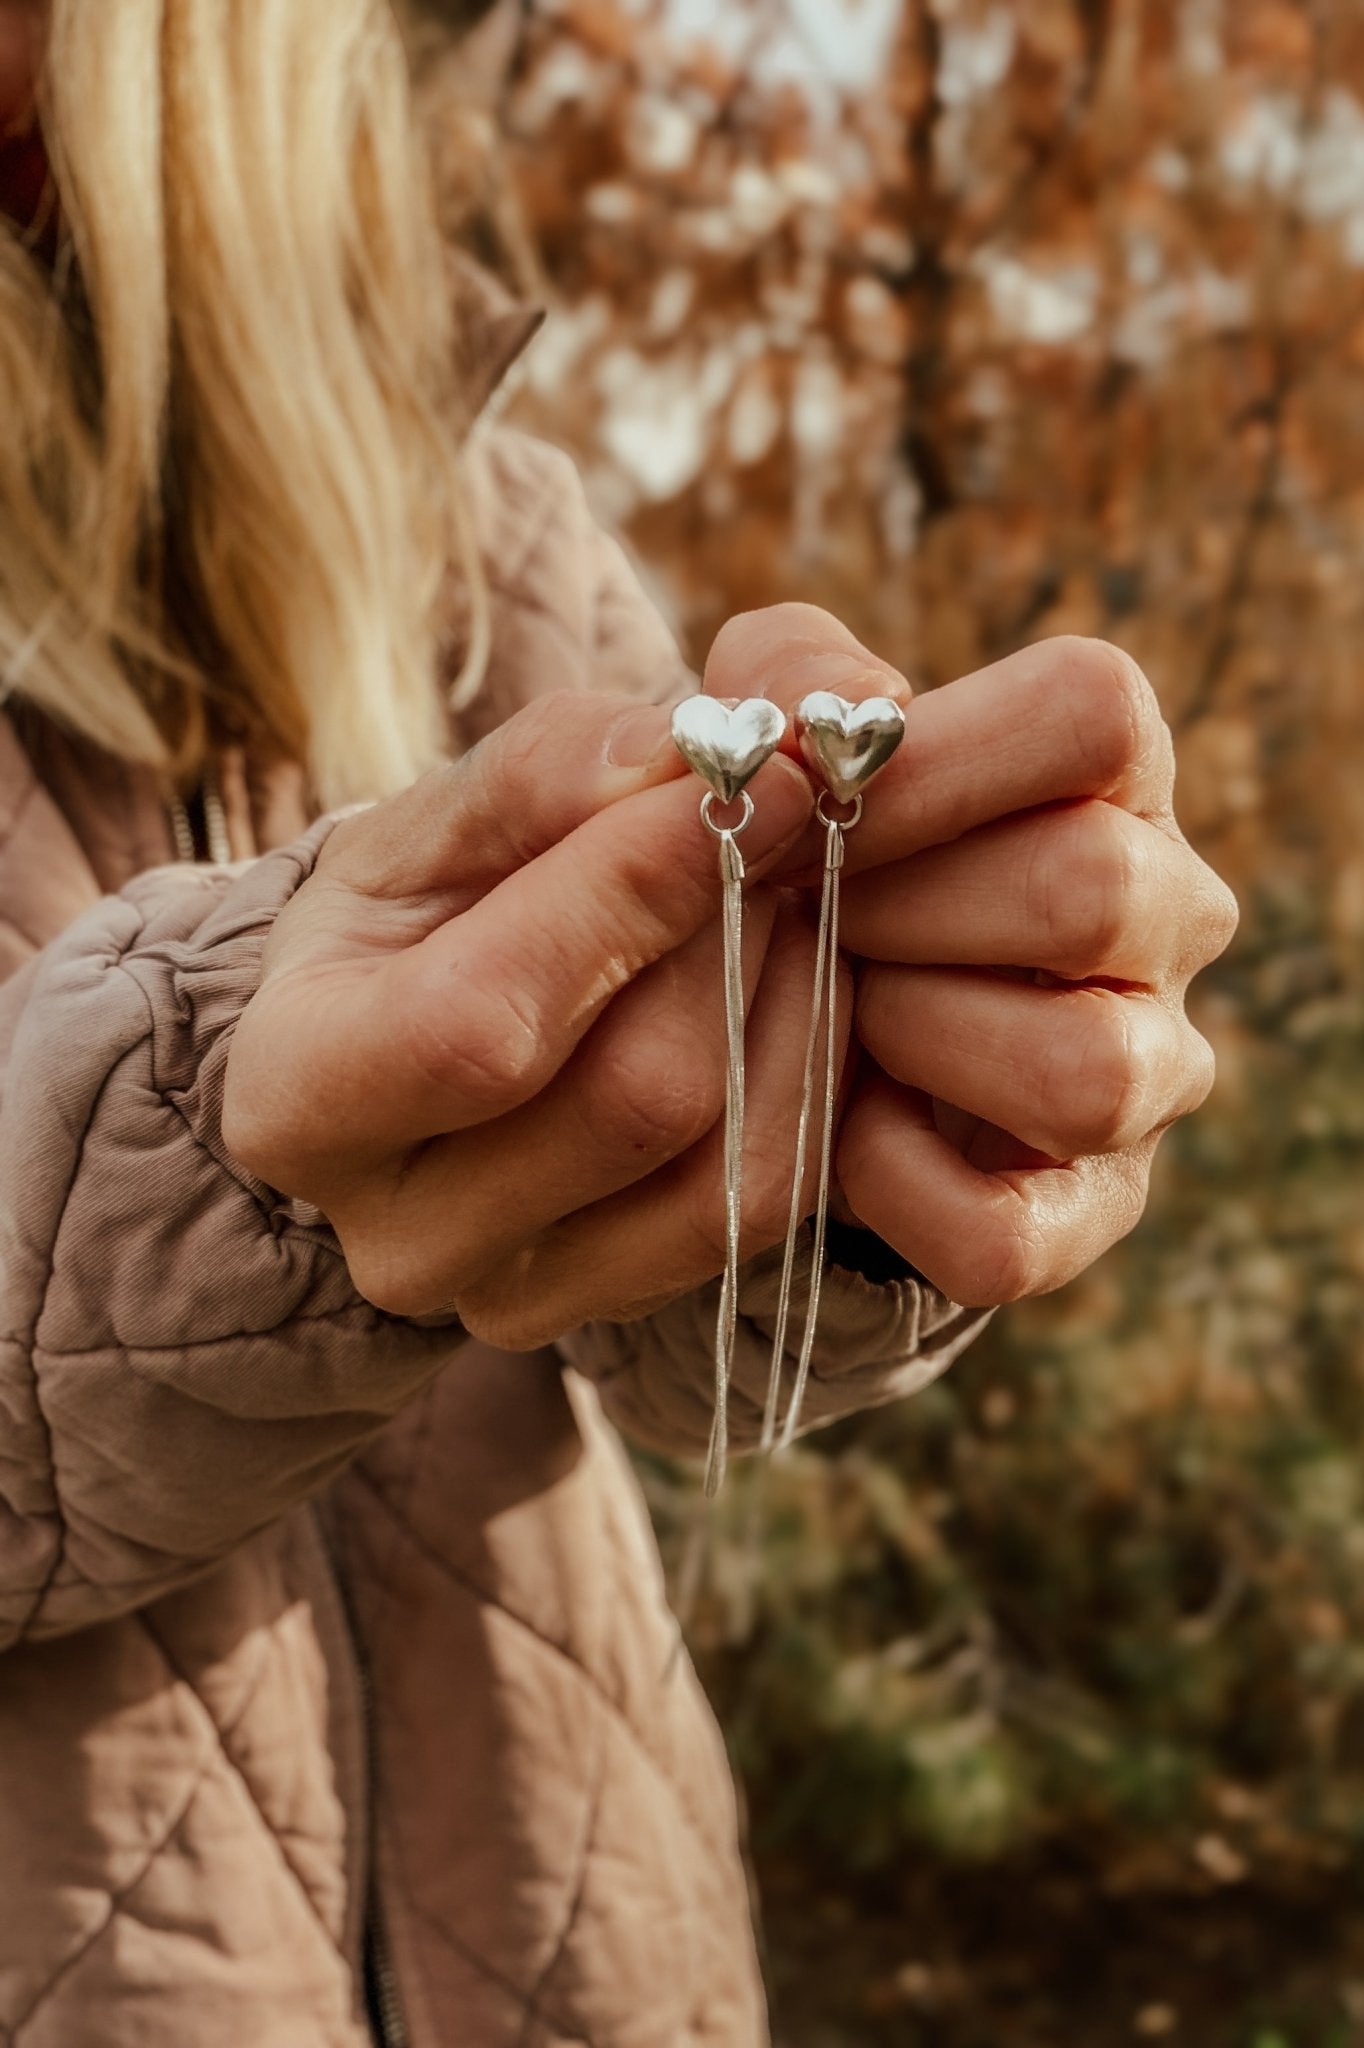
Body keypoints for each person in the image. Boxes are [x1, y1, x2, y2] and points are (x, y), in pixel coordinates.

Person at [0, 2, 1237, 2043]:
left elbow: (679, 1351)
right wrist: (227, 1140)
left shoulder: (465, 521)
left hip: (571, 1930)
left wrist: (884, 1106)